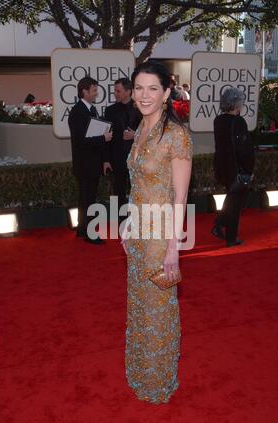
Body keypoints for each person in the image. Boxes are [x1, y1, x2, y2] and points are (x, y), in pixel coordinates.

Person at [121, 60, 192, 404]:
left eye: (153, 88)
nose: (144, 95)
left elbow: (180, 197)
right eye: (139, 88)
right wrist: (127, 222)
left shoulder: (175, 136)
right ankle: (140, 370)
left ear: (166, 93)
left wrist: (173, 249)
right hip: (137, 235)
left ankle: (158, 380)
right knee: (140, 307)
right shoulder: (140, 129)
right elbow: (137, 184)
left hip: (160, 237)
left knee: (159, 309)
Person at [68, 77, 112, 244]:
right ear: (84, 91)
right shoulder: (78, 112)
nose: (97, 93)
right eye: (94, 90)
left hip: (90, 163)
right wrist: (103, 138)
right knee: (88, 200)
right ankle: (90, 234)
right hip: (85, 165)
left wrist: (103, 156)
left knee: (85, 198)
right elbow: (80, 141)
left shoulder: (91, 110)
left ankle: (82, 229)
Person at [211, 87, 255, 247]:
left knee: (232, 197)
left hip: (222, 166)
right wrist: (249, 170)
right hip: (237, 169)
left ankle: (219, 224)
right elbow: (244, 149)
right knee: (236, 203)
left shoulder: (218, 120)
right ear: (237, 104)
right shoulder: (239, 122)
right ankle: (231, 237)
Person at [104, 78, 142, 214]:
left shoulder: (141, 109)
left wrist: (135, 135)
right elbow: (106, 138)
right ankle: (121, 218)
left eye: (118, 91)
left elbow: (151, 133)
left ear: (128, 91)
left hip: (138, 158)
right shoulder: (110, 111)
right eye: (115, 91)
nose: (116, 93)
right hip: (117, 157)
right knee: (118, 190)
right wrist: (106, 159)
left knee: (137, 189)